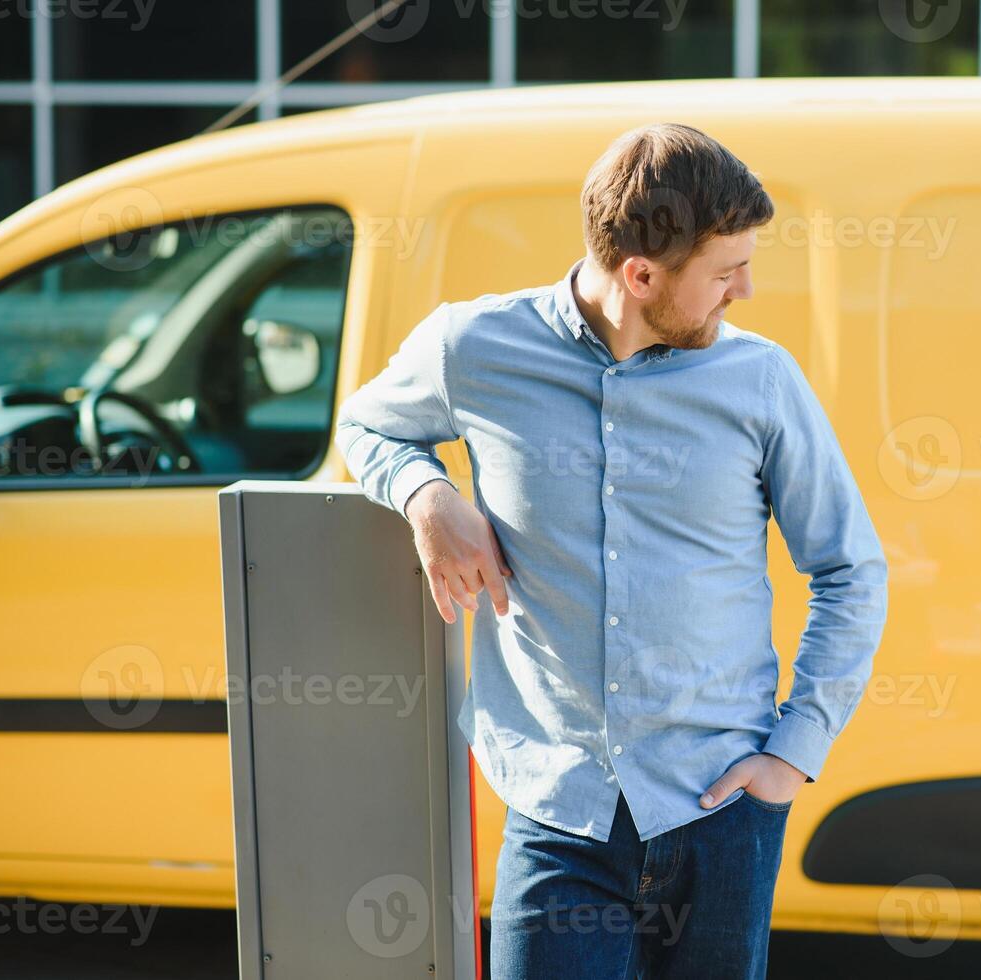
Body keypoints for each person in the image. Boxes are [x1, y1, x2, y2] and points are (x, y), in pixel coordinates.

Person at [335, 122, 889, 979]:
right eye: (723, 270)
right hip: (561, 819)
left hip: (722, 816)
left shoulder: (762, 381)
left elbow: (849, 568)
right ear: (641, 274)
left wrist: (792, 753)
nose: (744, 288)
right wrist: (426, 493)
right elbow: (366, 424)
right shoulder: (472, 349)